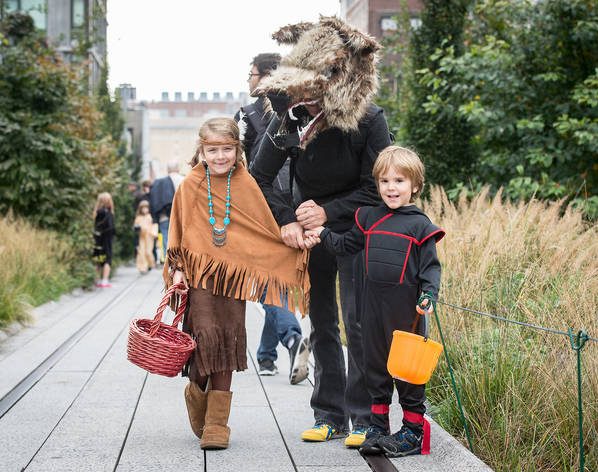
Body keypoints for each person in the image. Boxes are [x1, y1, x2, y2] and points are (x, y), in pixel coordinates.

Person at [164, 117, 311, 451]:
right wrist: (177, 270)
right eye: (213, 150)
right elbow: (179, 230)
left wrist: (291, 243)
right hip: (199, 280)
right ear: (201, 150)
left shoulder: (245, 183)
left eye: (227, 149)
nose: (220, 156)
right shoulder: (191, 185)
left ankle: (218, 423)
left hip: (233, 282)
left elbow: (264, 229)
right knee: (203, 344)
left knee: (228, 343)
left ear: (237, 150)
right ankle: (195, 389)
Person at [251, 100, 391, 447]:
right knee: (322, 320)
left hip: (359, 227)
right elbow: (260, 177)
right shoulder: (290, 117)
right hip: (310, 231)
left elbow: (380, 185)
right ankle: (329, 415)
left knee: (358, 321)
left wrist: (328, 211)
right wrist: (287, 219)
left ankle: (366, 419)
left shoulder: (369, 117)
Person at [304, 146, 444, 458]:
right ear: (377, 185)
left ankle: (412, 432)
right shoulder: (369, 218)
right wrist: (322, 234)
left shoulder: (420, 225)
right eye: (384, 181)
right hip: (372, 313)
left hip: (406, 315)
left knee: (408, 375)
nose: (391, 188)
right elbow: (344, 245)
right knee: (375, 371)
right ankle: (378, 428)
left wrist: (428, 295)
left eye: (399, 181)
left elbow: (431, 268)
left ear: (415, 186)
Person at [235, 52, 309, 384]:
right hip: (298, 204)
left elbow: (239, 165)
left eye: (251, 74)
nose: (248, 80)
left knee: (268, 282)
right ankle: (266, 355)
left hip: (262, 207)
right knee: (276, 279)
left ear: (266, 77)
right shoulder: (301, 112)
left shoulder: (248, 115)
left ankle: (292, 338)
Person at [150, 161, 184, 256]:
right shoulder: (184, 179)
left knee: (166, 238)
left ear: (168, 170)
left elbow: (154, 200)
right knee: (181, 239)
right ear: (178, 169)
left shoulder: (159, 183)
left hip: (164, 216)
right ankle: (181, 261)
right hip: (182, 215)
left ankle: (169, 263)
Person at [92, 192, 115, 288]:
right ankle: (104, 280)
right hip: (107, 240)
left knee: (98, 259)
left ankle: (96, 280)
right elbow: (111, 228)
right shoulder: (109, 213)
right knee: (107, 260)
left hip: (97, 240)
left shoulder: (97, 212)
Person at [134, 200, 157, 274]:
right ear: (140, 209)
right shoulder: (138, 217)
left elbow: (154, 225)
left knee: (148, 252)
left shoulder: (150, 217)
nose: (145, 210)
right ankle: (143, 267)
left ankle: (150, 264)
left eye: (146, 208)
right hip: (142, 237)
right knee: (141, 252)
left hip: (149, 237)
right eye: (143, 208)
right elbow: (136, 227)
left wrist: (154, 233)